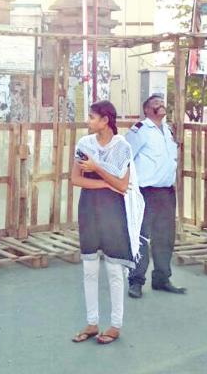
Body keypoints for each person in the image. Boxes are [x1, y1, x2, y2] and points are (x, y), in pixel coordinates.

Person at [70, 100, 144, 345]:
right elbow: (76, 179)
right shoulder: (84, 144)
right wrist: (104, 182)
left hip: (113, 214)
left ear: (105, 120)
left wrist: (96, 168)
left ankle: (115, 325)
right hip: (89, 211)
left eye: (92, 117)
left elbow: (123, 185)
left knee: (114, 270)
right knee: (89, 269)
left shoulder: (122, 147)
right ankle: (92, 323)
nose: (88, 121)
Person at [125, 94, 186, 299]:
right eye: (156, 104)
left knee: (165, 237)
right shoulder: (140, 130)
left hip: (166, 191)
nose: (161, 106)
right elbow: (126, 157)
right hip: (145, 192)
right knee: (141, 237)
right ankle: (136, 281)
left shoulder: (168, 130)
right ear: (147, 110)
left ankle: (161, 278)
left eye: (162, 103)